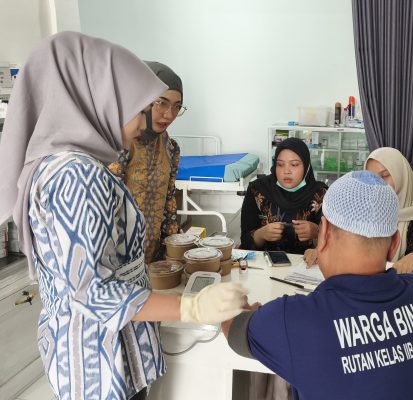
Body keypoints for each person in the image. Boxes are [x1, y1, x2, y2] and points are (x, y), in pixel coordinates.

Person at [0, 32, 247, 400]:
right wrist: (192, 306)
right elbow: (93, 292)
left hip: (93, 348)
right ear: (98, 99)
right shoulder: (78, 175)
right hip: (100, 359)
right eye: (137, 107)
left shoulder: (57, 165)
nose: (142, 121)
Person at [224, 171, 413, 400]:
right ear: (394, 244)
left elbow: (231, 327)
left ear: (324, 233)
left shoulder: (295, 319)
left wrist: (241, 304)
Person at [304, 147, 413, 273]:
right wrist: (323, 251)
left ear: (401, 175)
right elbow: (349, 244)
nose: (379, 184)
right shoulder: (364, 207)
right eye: (372, 178)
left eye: (385, 176)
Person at [108, 61, 185, 264]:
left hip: (153, 256)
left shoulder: (170, 147)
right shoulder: (121, 142)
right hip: (118, 258)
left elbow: (169, 201)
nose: (169, 114)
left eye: (177, 107)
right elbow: (108, 207)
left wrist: (173, 250)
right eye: (161, 103)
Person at [240, 137, 327, 254]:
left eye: (294, 165)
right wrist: (260, 234)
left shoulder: (320, 194)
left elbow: (335, 244)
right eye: (280, 165)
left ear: (306, 166)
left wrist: (317, 232)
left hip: (306, 263)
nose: (286, 171)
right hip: (264, 262)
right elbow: (245, 241)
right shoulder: (258, 190)